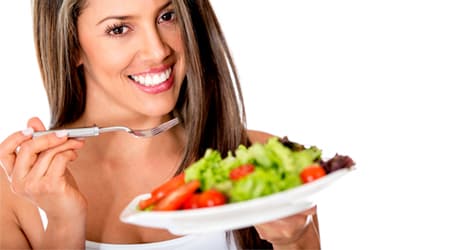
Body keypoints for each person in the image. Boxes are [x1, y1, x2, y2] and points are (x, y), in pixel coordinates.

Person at [0, 0, 321, 249]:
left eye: (167, 16)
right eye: (119, 29)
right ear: (71, 45)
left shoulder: (262, 158)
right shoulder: (13, 193)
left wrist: (293, 240)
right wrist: (62, 224)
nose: (158, 50)